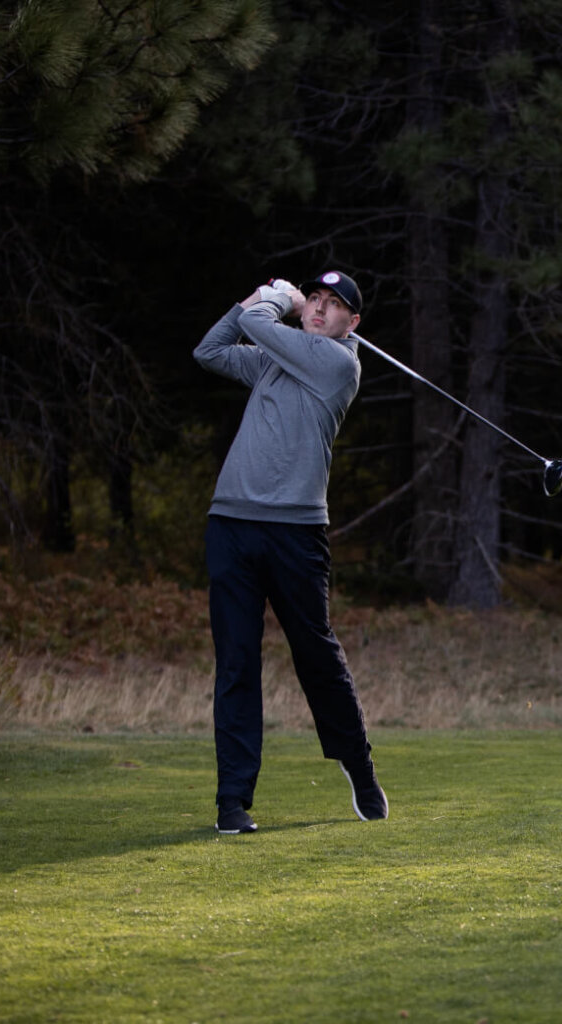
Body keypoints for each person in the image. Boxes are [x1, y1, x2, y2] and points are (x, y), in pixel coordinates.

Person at [194, 270, 388, 833]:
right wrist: (252, 299)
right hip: (231, 523)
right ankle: (232, 802)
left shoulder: (338, 365)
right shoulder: (275, 361)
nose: (320, 310)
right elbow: (209, 349)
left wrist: (274, 298)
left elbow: (258, 325)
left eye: (334, 307)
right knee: (235, 662)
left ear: (351, 325)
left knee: (316, 655)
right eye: (317, 301)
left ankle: (359, 765)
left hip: (295, 533)